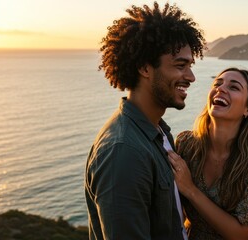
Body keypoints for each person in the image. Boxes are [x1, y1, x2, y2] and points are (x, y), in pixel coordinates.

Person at [84, 2, 206, 239]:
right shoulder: (123, 152)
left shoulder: (159, 132)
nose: (191, 77)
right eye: (181, 65)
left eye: (190, 65)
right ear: (144, 68)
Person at [168, 68, 248, 239]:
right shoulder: (185, 144)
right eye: (217, 84)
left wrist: (191, 190)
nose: (221, 89)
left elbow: (241, 234)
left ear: (247, 109)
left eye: (234, 87)